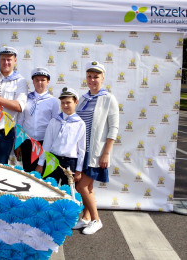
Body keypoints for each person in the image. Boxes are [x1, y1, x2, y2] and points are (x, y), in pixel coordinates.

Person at [73, 61, 119, 235]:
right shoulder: (84, 98)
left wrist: (106, 153)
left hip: (96, 153)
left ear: (103, 78)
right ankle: (85, 218)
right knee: (88, 187)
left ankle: (96, 219)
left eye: (96, 77)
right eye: (89, 76)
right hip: (81, 152)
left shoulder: (108, 98)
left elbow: (114, 127)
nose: (92, 80)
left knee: (81, 187)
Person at [35, 87, 86, 186]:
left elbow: (81, 149)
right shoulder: (54, 121)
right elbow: (47, 143)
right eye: (62, 103)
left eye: (68, 102)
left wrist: (79, 170)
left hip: (70, 163)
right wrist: (41, 163)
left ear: (76, 102)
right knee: (48, 188)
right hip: (53, 160)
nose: (65, 105)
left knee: (66, 192)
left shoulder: (80, 124)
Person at [15, 67, 60, 172]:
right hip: (27, 143)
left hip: (45, 143)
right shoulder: (26, 98)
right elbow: (20, 121)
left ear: (48, 82)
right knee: (29, 174)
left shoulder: (53, 101)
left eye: (43, 80)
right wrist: (18, 144)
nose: (40, 83)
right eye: (37, 80)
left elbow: (55, 125)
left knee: (44, 176)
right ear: (33, 82)